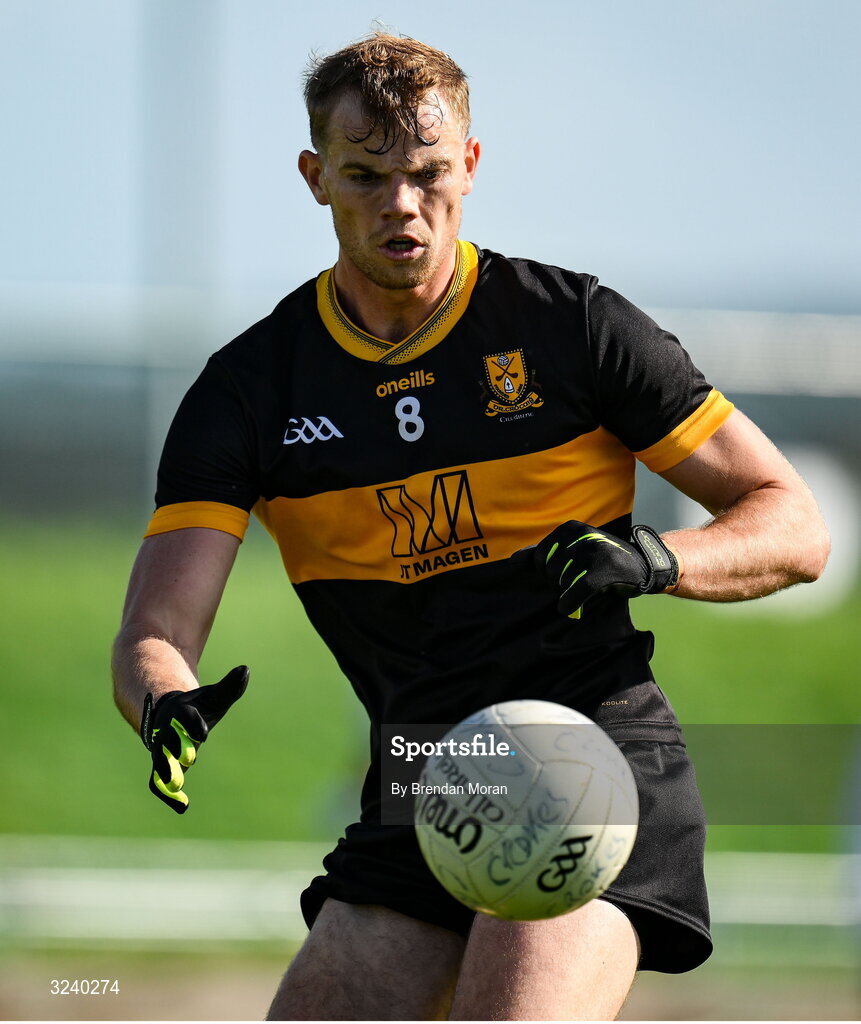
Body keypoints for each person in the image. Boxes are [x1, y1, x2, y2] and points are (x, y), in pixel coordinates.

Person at [112, 32, 830, 1021]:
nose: (401, 204)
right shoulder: (249, 391)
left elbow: (793, 524)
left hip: (588, 755)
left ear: (471, 165)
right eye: (366, 176)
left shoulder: (572, 326)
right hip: (422, 776)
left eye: (427, 173)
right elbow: (156, 631)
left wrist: (655, 558)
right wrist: (162, 701)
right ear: (315, 178)